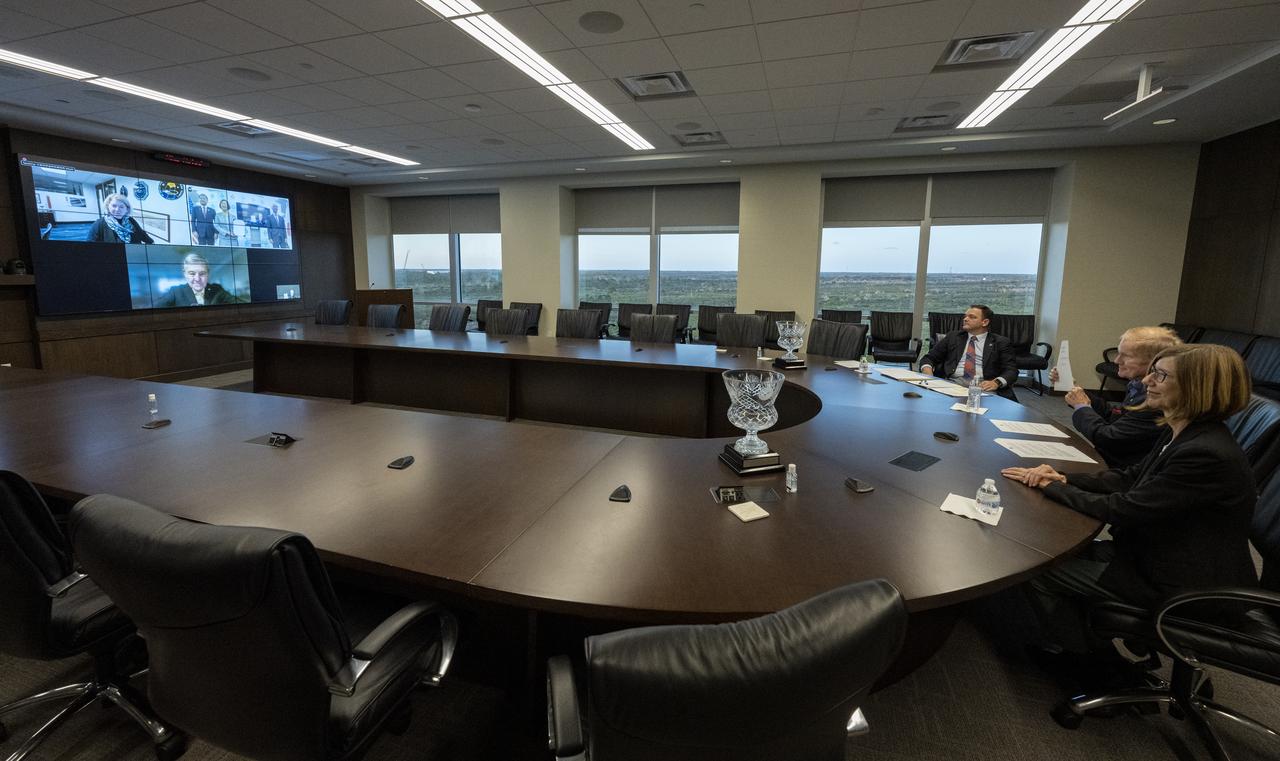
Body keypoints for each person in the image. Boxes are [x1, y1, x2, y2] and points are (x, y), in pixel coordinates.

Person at [1003, 343, 1257, 662]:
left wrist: (1049, 487)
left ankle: (1090, 663)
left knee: (1036, 569)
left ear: (1196, 387)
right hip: (1155, 553)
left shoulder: (1205, 453)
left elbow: (1124, 509)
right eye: (1151, 371)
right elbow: (1129, 477)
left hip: (1184, 583)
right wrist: (1064, 477)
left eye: (1160, 375)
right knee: (1044, 550)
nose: (1146, 381)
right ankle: (1083, 638)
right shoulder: (1184, 430)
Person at [1050, 326, 1182, 467]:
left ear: (1155, 362)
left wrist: (1082, 407)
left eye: (1126, 356)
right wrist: (1073, 389)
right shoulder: (1137, 385)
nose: (1117, 360)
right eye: (1119, 353)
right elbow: (1114, 416)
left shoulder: (1156, 400)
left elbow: (1109, 438)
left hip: (1119, 469)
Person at [918, 304, 1019, 400]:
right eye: (965, 316)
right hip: (952, 385)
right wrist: (928, 375)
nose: (965, 319)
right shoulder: (953, 337)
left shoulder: (1001, 342)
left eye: (972, 317)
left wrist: (996, 383)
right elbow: (929, 358)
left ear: (985, 322)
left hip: (984, 388)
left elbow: (1011, 370)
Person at [155, 253, 236, 307]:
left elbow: (238, 302)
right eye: (192, 273)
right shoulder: (176, 292)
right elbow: (154, 309)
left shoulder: (217, 289)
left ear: (208, 274)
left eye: (202, 274)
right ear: (185, 274)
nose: (197, 279)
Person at [84, 193, 154, 244]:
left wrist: (152, 243)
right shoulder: (99, 224)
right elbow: (90, 245)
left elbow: (142, 235)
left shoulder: (131, 220)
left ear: (127, 209)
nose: (117, 210)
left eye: (121, 207)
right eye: (114, 206)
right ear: (108, 207)